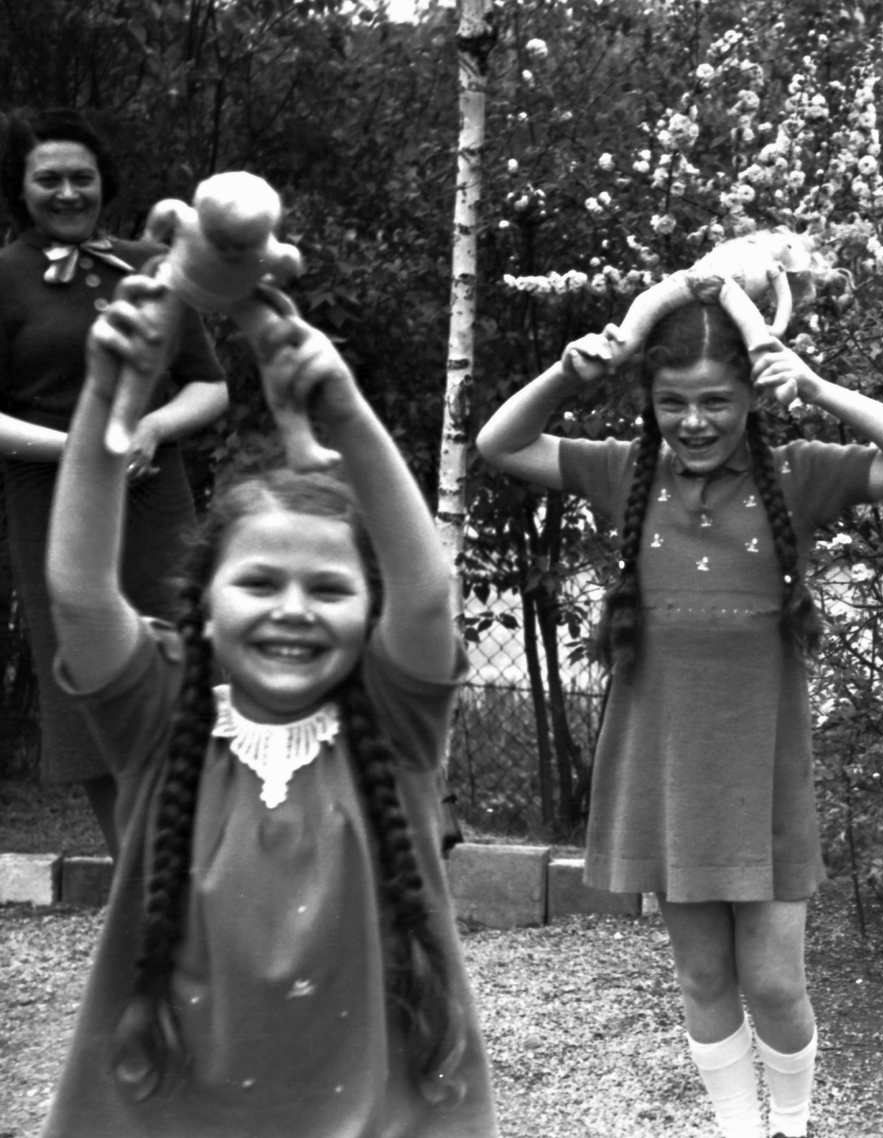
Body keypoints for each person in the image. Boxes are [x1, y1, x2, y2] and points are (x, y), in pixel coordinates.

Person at [476, 296, 883, 1138]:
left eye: (716, 401)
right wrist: (567, 372)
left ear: (752, 400)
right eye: (672, 402)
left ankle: (793, 1127)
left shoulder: (798, 473)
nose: (694, 421)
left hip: (761, 772)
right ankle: (739, 1130)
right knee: (701, 979)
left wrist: (817, 385)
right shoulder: (623, 470)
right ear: (648, 403)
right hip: (664, 769)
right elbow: (500, 443)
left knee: (773, 982)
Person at [38, 275, 498, 1137]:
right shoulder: (158, 713)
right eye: (258, 582)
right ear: (203, 604)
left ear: (371, 611)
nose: (293, 608)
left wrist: (348, 413)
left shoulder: (393, 722)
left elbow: (429, 597)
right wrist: (110, 396)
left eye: (329, 587)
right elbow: (77, 592)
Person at [0, 108, 228, 856]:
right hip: (54, 506)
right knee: (89, 680)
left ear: (105, 184)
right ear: (20, 188)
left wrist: (155, 426)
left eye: (82, 178)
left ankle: (205, 873)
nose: (68, 192)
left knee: (183, 671)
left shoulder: (153, 268)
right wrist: (81, 448)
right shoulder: (5, 277)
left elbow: (208, 387)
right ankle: (144, 881)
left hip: (155, 500)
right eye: (49, 179)